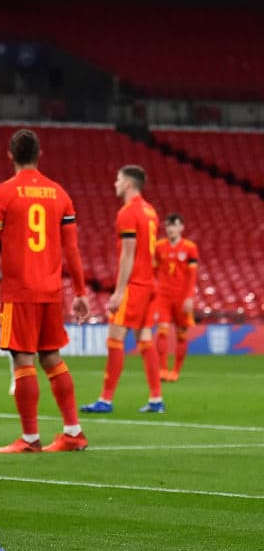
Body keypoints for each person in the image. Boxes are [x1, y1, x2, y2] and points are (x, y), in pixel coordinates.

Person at [0, 129, 90, 453]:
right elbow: (72, 250)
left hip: (20, 290)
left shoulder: (2, 194)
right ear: (40, 155)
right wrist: (80, 292)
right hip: (52, 290)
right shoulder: (59, 194)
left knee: (23, 359)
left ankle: (30, 438)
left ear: (10, 155)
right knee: (51, 357)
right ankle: (73, 431)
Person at [81, 165, 164, 414]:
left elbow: (128, 255)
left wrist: (118, 292)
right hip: (150, 284)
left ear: (128, 184)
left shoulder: (127, 213)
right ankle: (156, 399)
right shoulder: (151, 211)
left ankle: (105, 399)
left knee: (115, 338)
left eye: (118, 180)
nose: (115, 184)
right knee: (144, 339)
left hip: (135, 285)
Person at [154, 213, 199, 382]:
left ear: (181, 227)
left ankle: (176, 371)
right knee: (162, 332)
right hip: (163, 296)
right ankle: (163, 369)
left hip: (182, 297)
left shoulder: (190, 247)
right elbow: (153, 272)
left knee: (181, 334)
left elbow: (192, 276)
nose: (170, 229)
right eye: (168, 226)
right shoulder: (159, 247)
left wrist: (189, 298)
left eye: (174, 225)